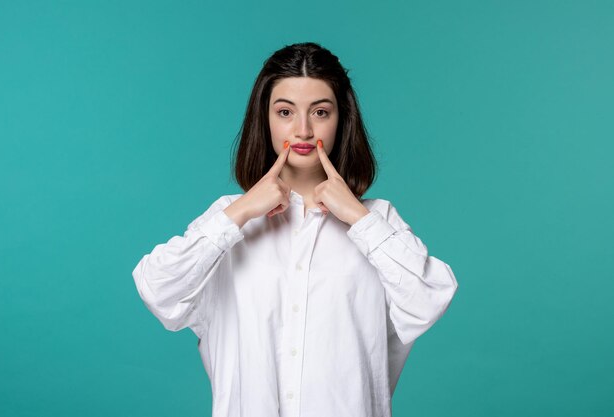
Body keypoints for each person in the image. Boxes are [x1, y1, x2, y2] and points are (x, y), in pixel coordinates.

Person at [132, 42, 459, 417]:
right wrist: (240, 212)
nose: (303, 130)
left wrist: (357, 217)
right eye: (285, 111)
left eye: (320, 111)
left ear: (341, 119)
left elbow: (430, 299)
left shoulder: (376, 221)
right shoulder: (227, 220)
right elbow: (158, 289)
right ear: (265, 119)